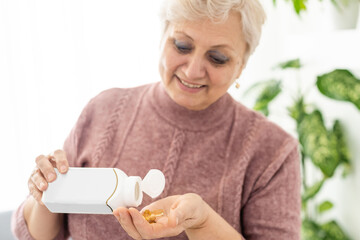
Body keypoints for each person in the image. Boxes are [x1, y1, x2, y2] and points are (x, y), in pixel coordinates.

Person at [12, 0, 301, 239]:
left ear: (242, 65)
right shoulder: (103, 110)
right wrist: (48, 192)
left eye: (217, 58)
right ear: (163, 36)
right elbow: (39, 234)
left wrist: (201, 222)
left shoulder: (272, 151)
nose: (192, 71)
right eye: (182, 46)